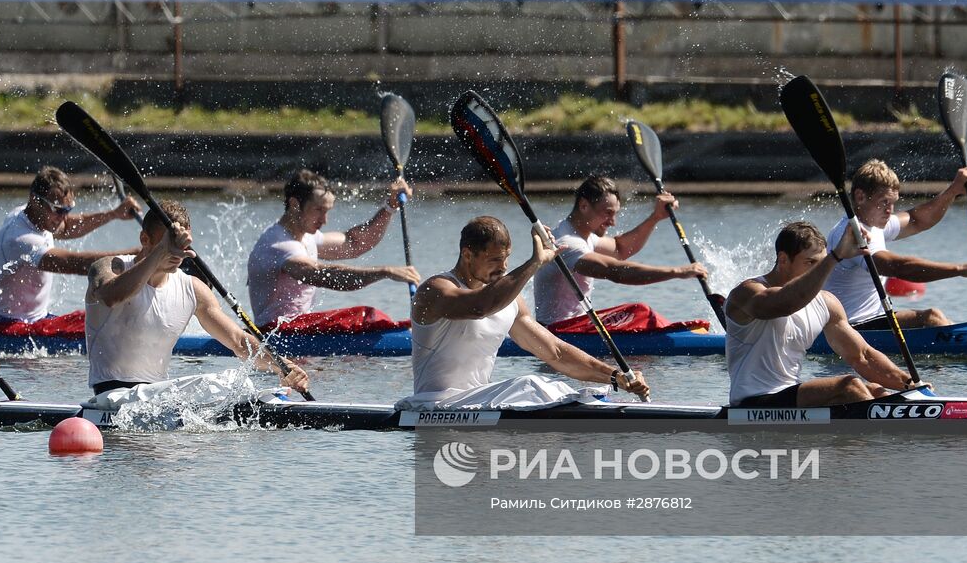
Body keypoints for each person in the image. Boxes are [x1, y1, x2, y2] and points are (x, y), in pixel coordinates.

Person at [398, 216, 649, 410]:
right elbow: (479, 307)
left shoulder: (509, 299)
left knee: (558, 387)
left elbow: (556, 352)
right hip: (433, 404)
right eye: (495, 260)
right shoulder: (435, 289)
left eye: (507, 258)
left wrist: (614, 376)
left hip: (478, 405)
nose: (504, 267)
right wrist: (534, 263)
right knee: (530, 385)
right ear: (467, 254)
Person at [83, 200, 309, 407]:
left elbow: (239, 342)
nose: (177, 252)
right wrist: (162, 250)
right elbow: (112, 296)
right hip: (110, 397)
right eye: (169, 243)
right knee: (225, 383)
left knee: (247, 390)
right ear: (145, 239)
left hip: (156, 401)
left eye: (181, 245)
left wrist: (283, 366)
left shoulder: (193, 289)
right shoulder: (110, 267)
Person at [725, 221, 911, 408]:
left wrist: (909, 383)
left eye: (821, 263)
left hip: (790, 396)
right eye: (810, 262)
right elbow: (786, 303)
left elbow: (862, 356)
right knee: (849, 386)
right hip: (752, 401)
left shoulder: (827, 303)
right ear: (783, 260)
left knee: (876, 391)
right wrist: (835, 256)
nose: (820, 270)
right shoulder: (747, 293)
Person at [824, 159, 967, 328]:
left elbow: (916, 220)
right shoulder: (851, 234)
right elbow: (897, 267)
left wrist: (953, 191)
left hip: (875, 319)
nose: (890, 210)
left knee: (937, 318)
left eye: (892, 203)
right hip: (848, 327)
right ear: (860, 197)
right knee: (931, 318)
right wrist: (960, 270)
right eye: (884, 202)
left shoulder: (874, 223)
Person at [246, 168, 421, 330]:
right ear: (294, 204)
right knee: (365, 316)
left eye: (327, 211)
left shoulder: (306, 236)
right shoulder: (279, 245)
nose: (325, 220)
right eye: (319, 210)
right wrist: (384, 271)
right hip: (275, 332)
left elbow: (355, 243)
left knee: (366, 319)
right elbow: (324, 275)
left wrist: (389, 207)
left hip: (296, 330)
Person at [0, 166, 140, 333]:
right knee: (105, 323)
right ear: (35, 200)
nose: (63, 217)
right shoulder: (21, 240)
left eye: (67, 210)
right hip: (3, 327)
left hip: (33, 322)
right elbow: (74, 263)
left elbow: (67, 226)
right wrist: (134, 257)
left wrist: (113, 214)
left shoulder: (30, 215)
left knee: (107, 316)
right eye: (58, 210)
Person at [532, 176, 708, 330]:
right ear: (584, 205)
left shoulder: (581, 235)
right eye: (608, 213)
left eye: (615, 214)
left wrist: (655, 217)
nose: (613, 222)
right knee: (640, 312)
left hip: (575, 327)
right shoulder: (567, 243)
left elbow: (620, 248)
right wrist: (677, 272)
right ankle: (679, 335)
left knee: (639, 315)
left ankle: (676, 332)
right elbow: (615, 271)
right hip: (557, 332)